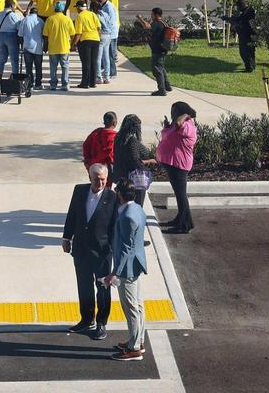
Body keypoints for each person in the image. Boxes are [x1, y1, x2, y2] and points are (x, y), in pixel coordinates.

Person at [62, 164, 119, 340]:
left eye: (103, 179)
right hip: (81, 249)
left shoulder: (113, 197)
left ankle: (101, 322)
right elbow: (72, 214)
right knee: (84, 286)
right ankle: (87, 319)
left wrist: (113, 250)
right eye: (97, 179)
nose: (100, 182)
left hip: (102, 252)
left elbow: (115, 226)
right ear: (89, 177)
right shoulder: (79, 191)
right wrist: (66, 237)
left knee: (102, 288)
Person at [106, 183, 148, 361]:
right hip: (136, 264)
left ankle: (134, 349)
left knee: (130, 307)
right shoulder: (137, 209)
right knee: (138, 305)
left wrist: (115, 272)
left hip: (127, 269)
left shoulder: (126, 217)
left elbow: (125, 248)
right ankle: (138, 340)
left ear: (120, 194)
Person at [157, 101, 197, 234]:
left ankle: (186, 224)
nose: (172, 113)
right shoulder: (177, 124)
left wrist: (186, 115)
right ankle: (180, 218)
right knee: (179, 194)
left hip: (179, 165)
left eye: (174, 111)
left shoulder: (187, 124)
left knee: (181, 195)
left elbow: (179, 124)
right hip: (172, 164)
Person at [112, 114, 155, 207]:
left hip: (120, 177)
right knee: (137, 206)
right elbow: (136, 160)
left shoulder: (118, 138)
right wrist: (148, 165)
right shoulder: (132, 141)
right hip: (132, 180)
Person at [136, 7, 172, 96]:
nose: (151, 16)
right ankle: (167, 86)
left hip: (158, 50)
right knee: (161, 68)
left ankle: (162, 90)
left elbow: (147, 26)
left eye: (152, 14)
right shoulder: (163, 23)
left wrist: (140, 18)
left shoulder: (157, 23)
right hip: (163, 49)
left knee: (157, 70)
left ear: (156, 15)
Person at [44, 2, 74, 91]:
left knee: (53, 67)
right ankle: (65, 84)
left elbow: (45, 35)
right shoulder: (67, 19)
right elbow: (72, 34)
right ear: (62, 10)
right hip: (64, 47)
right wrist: (72, 45)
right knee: (65, 66)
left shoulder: (50, 19)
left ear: (55, 9)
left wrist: (45, 47)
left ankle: (53, 84)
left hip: (53, 47)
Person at [73, 0, 102, 89]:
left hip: (85, 41)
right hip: (96, 40)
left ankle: (85, 83)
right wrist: (98, 38)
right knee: (93, 62)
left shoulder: (79, 17)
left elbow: (79, 33)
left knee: (86, 63)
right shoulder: (92, 14)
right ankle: (92, 83)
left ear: (79, 8)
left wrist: (74, 44)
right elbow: (99, 28)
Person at [0, 0, 23, 79]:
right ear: (11, 6)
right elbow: (19, 29)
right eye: (14, 6)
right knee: (14, 60)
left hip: (0, 36)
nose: (15, 8)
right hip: (11, 36)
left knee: (2, 59)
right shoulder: (14, 16)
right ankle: (15, 78)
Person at [19, 4, 45, 89]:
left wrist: (21, 46)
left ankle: (29, 83)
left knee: (28, 68)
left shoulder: (25, 20)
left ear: (30, 12)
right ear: (37, 13)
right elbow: (44, 35)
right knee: (38, 67)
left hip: (27, 47)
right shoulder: (41, 21)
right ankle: (38, 84)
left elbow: (20, 34)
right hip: (38, 47)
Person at [227, 0, 257, 72]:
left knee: (245, 52)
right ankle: (252, 66)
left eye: (238, 7)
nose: (237, 9)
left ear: (241, 6)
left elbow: (241, 22)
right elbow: (239, 19)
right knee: (251, 51)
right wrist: (229, 19)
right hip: (251, 35)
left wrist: (232, 21)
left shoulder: (247, 13)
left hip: (246, 36)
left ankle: (249, 68)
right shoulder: (249, 11)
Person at [97, 0, 119, 84]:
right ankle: (107, 75)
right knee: (106, 56)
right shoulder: (106, 6)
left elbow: (111, 21)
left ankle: (108, 74)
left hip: (108, 33)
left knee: (104, 56)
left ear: (99, 1)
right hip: (109, 33)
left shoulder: (107, 8)